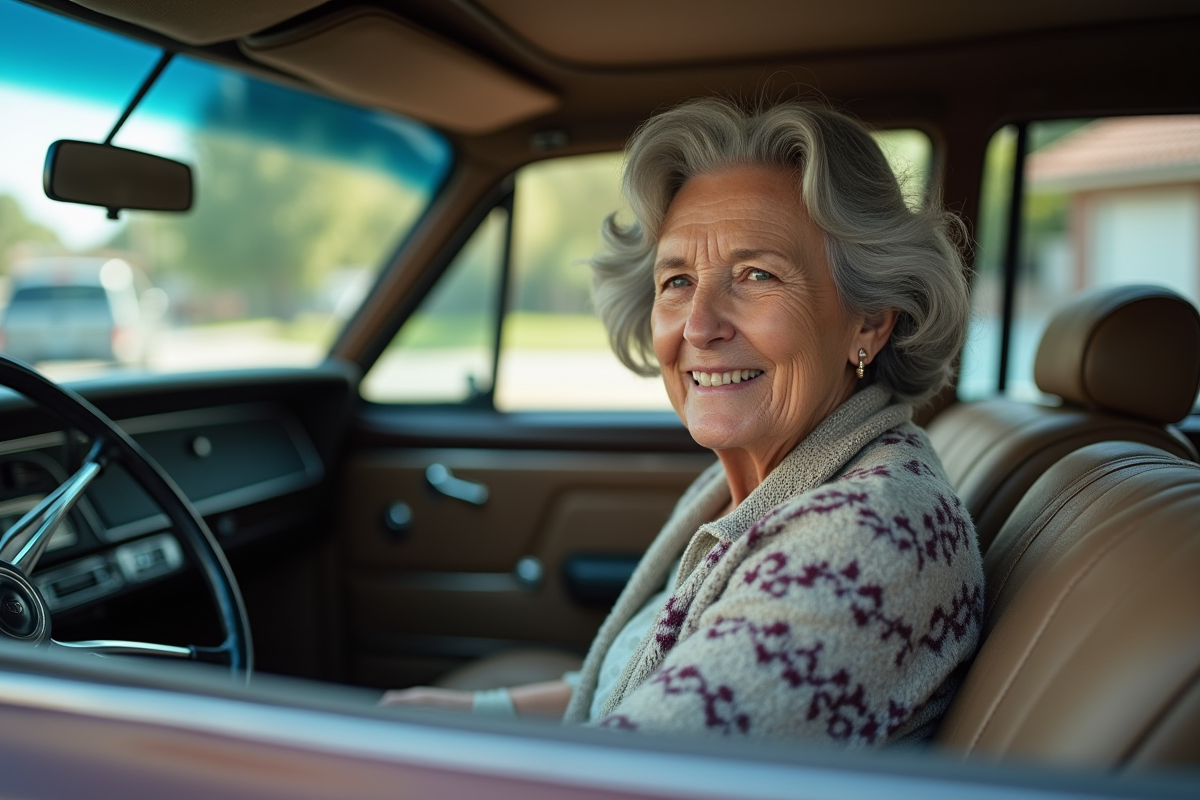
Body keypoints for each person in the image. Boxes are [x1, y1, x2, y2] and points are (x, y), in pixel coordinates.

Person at [382, 98, 983, 745]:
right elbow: (668, 677)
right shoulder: (773, 479)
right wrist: (478, 713)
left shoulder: (862, 539)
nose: (699, 326)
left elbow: (633, 777)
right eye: (676, 281)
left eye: (756, 274)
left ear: (870, 320)